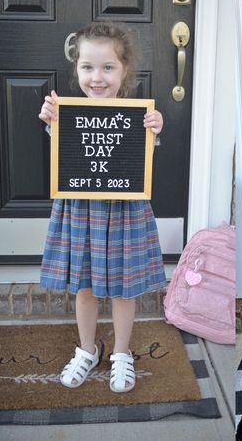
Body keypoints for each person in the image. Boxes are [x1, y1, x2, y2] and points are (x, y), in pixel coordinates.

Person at [38, 21, 166, 393]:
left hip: (125, 213)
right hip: (80, 213)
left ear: (124, 70)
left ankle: (122, 353)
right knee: (85, 286)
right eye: (88, 67)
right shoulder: (66, 113)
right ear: (76, 69)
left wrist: (155, 129)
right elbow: (60, 144)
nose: (97, 77)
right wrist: (50, 119)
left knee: (125, 288)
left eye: (108, 67)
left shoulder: (137, 117)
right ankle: (87, 349)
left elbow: (143, 155)